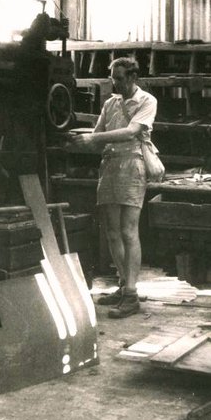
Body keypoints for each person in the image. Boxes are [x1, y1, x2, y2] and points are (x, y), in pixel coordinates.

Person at [69, 56, 157, 318]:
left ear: (132, 77)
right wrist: (75, 140)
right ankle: (123, 284)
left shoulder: (146, 101)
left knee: (129, 231)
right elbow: (97, 137)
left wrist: (92, 138)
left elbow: (131, 132)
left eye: (118, 78)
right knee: (112, 232)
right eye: (112, 78)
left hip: (132, 165)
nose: (114, 83)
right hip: (110, 167)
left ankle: (131, 295)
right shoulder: (110, 103)